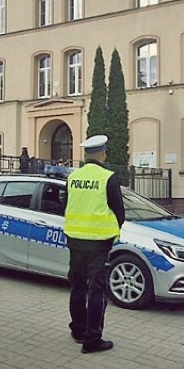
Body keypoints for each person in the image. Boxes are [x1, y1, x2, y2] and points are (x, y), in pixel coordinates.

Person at [63, 135, 125, 354]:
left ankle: (78, 330)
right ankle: (92, 339)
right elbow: (120, 213)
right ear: (103, 153)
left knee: (78, 286)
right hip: (98, 243)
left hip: (75, 241)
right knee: (96, 290)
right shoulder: (108, 177)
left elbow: (67, 205)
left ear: (86, 155)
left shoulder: (73, 177)